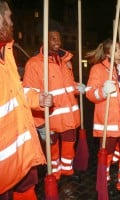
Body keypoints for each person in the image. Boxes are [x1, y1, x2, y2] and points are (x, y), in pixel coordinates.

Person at [0, 1, 52, 199]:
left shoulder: (7, 52)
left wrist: (37, 98)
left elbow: (15, 92)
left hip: (20, 156)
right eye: (9, 17)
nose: (12, 22)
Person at [22, 24, 84, 180]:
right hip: (51, 116)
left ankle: (67, 170)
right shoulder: (34, 64)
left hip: (70, 115)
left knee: (70, 142)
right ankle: (55, 172)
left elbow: (66, 86)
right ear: (44, 40)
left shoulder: (64, 61)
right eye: (53, 38)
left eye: (59, 38)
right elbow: (29, 92)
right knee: (53, 147)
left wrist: (78, 87)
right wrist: (39, 117)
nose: (58, 41)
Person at [85, 39, 120, 200]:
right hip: (108, 123)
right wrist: (103, 91)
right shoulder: (98, 69)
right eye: (117, 48)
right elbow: (90, 94)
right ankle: (104, 183)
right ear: (108, 52)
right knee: (107, 156)